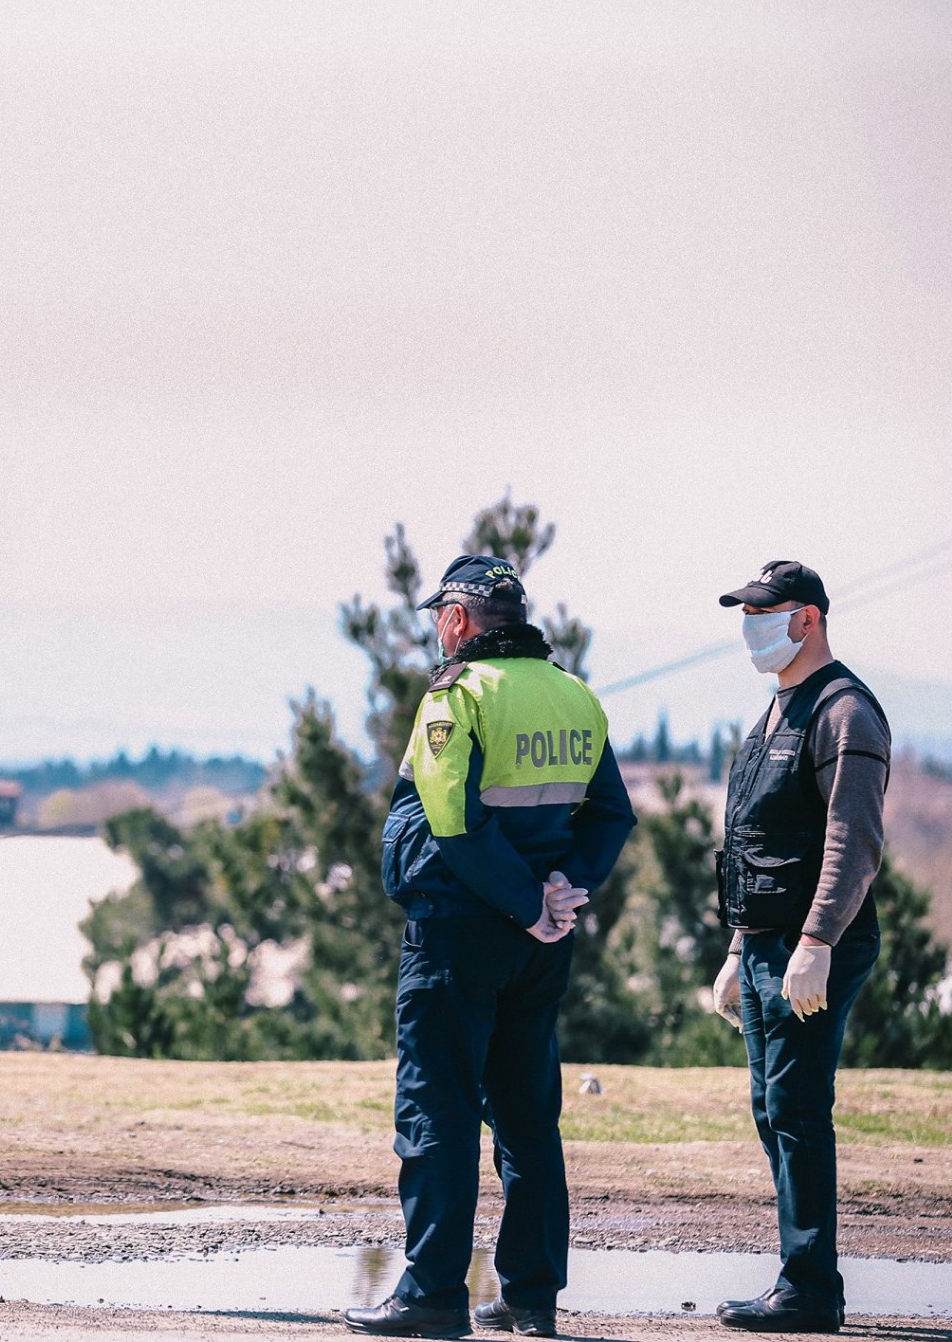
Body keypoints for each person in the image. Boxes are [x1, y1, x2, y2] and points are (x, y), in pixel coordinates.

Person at [346, 555, 635, 1341]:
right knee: (528, 1116)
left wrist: (522, 901)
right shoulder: (575, 693)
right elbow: (612, 815)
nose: (438, 627)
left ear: (460, 620)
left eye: (442, 614)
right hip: (541, 943)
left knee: (437, 1107)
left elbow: (451, 818)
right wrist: (561, 892)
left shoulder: (457, 695)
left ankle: (434, 1294)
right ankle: (531, 1296)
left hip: (460, 931)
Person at [709, 562, 889, 1334]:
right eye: (747, 610)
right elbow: (758, 837)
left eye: (765, 610)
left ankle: (811, 1286)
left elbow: (854, 839)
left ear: (807, 618)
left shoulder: (845, 711)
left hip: (812, 944)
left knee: (797, 1105)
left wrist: (815, 940)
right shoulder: (776, 711)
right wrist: (737, 946)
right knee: (772, 1103)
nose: (751, 623)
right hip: (764, 943)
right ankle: (801, 1272)